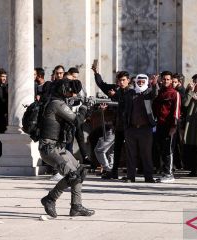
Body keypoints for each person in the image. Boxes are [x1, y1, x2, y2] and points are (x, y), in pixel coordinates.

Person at [39, 79, 94, 218]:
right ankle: (50, 199)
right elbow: (76, 120)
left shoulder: (61, 102)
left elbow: (78, 120)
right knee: (72, 175)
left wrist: (88, 108)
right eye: (70, 91)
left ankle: (76, 206)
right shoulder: (56, 104)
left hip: (59, 147)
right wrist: (84, 107)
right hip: (49, 148)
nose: (72, 94)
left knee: (80, 172)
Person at [92, 66, 130, 179]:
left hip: (125, 126)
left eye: (123, 80)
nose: (121, 83)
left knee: (103, 149)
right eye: (119, 80)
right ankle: (112, 171)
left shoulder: (130, 91)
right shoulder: (115, 88)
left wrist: (115, 96)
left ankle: (111, 170)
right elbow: (102, 85)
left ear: (128, 80)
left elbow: (125, 104)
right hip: (115, 125)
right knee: (114, 151)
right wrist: (96, 73)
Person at [122, 74, 158, 183]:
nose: (141, 83)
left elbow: (155, 93)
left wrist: (155, 84)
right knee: (131, 154)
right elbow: (125, 109)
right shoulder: (130, 93)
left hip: (145, 129)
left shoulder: (148, 93)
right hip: (131, 129)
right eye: (139, 81)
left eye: (143, 81)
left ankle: (148, 177)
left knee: (146, 154)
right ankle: (130, 177)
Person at [153, 71, 181, 183]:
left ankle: (169, 174)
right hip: (160, 124)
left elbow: (176, 111)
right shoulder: (160, 92)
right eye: (164, 79)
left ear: (171, 80)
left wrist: (174, 126)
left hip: (170, 126)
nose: (166, 81)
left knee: (169, 149)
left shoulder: (175, 94)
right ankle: (165, 172)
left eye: (168, 79)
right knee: (162, 149)